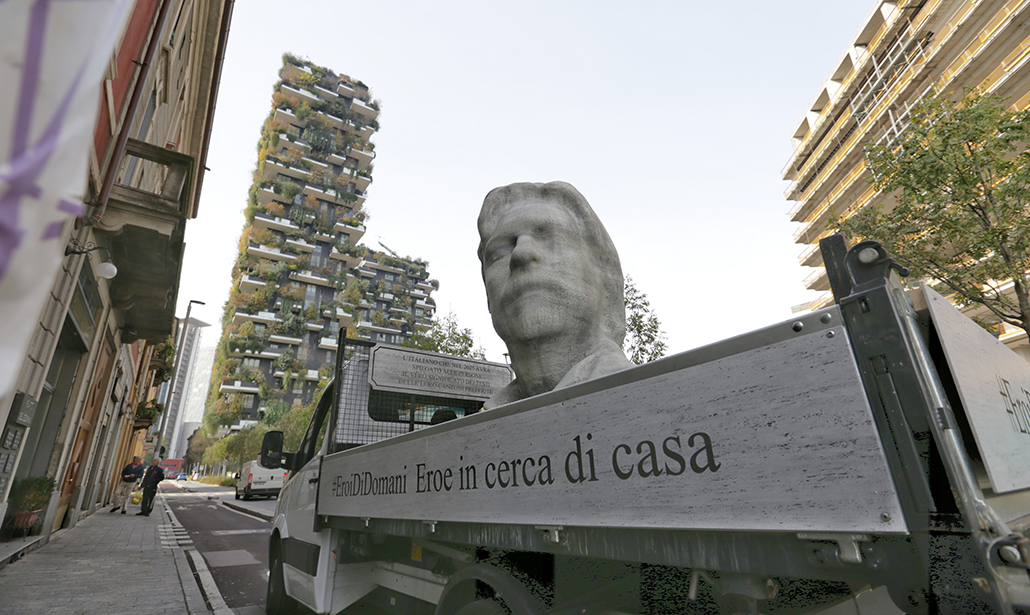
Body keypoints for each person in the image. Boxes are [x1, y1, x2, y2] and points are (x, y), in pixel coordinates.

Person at [477, 181, 634, 408]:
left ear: (607, 279)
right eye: (499, 251)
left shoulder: (657, 396)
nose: (521, 254)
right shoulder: (484, 420)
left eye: (551, 237)